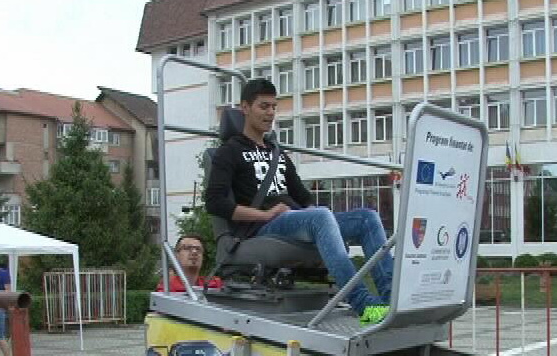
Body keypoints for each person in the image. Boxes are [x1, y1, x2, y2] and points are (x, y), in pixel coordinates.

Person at [205, 79, 393, 324]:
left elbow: (303, 196)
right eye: (264, 106)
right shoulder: (229, 151)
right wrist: (265, 215)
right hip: (261, 226)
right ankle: (364, 306)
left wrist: (325, 222)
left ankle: (391, 300)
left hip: (296, 219)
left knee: (367, 218)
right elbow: (215, 202)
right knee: (320, 217)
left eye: (274, 107)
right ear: (245, 108)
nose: (270, 113)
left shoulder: (277, 152)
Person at [155, 234, 222, 292]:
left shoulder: (215, 284)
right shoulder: (167, 289)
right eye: (187, 248)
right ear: (176, 255)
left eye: (198, 249)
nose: (194, 252)